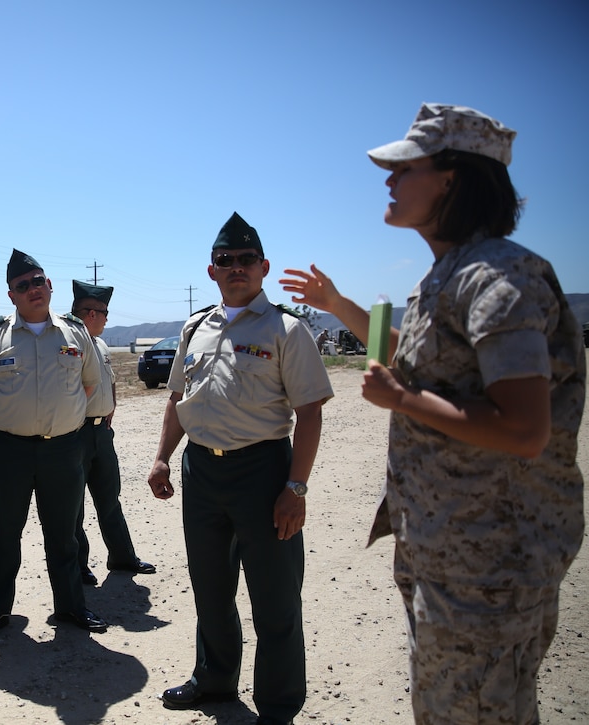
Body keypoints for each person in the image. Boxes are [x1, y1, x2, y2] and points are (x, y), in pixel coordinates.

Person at [281, 103, 585, 724]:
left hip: (492, 566)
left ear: (452, 179)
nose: (388, 182)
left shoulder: (501, 278)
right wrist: (338, 303)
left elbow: (525, 429)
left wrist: (401, 400)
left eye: (404, 168)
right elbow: (409, 353)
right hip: (449, 553)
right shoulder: (446, 277)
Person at [147, 212, 332, 724]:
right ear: (212, 271)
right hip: (201, 473)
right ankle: (215, 679)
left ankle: (276, 707)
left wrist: (296, 486)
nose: (236, 268)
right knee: (210, 588)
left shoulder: (287, 330)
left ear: (264, 267)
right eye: (225, 261)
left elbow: (310, 411)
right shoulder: (194, 328)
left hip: (263, 472)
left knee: (274, 599)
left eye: (246, 260)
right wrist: (163, 456)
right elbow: (177, 398)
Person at [0, 249, 107, 643]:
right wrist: (6, 416)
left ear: (49, 285)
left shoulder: (75, 332)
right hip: (9, 451)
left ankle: (71, 605)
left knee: (64, 534)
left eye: (37, 281)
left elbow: (88, 383)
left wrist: (65, 415)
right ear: (12, 296)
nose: (32, 290)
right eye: (22, 286)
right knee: (2, 534)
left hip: (63, 449)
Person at [70, 280, 154, 585]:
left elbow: (111, 378)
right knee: (73, 507)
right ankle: (78, 566)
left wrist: (113, 404)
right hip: (76, 434)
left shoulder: (101, 344)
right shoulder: (70, 343)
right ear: (91, 313)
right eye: (104, 313)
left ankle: (122, 558)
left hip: (101, 434)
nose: (107, 318)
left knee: (109, 498)